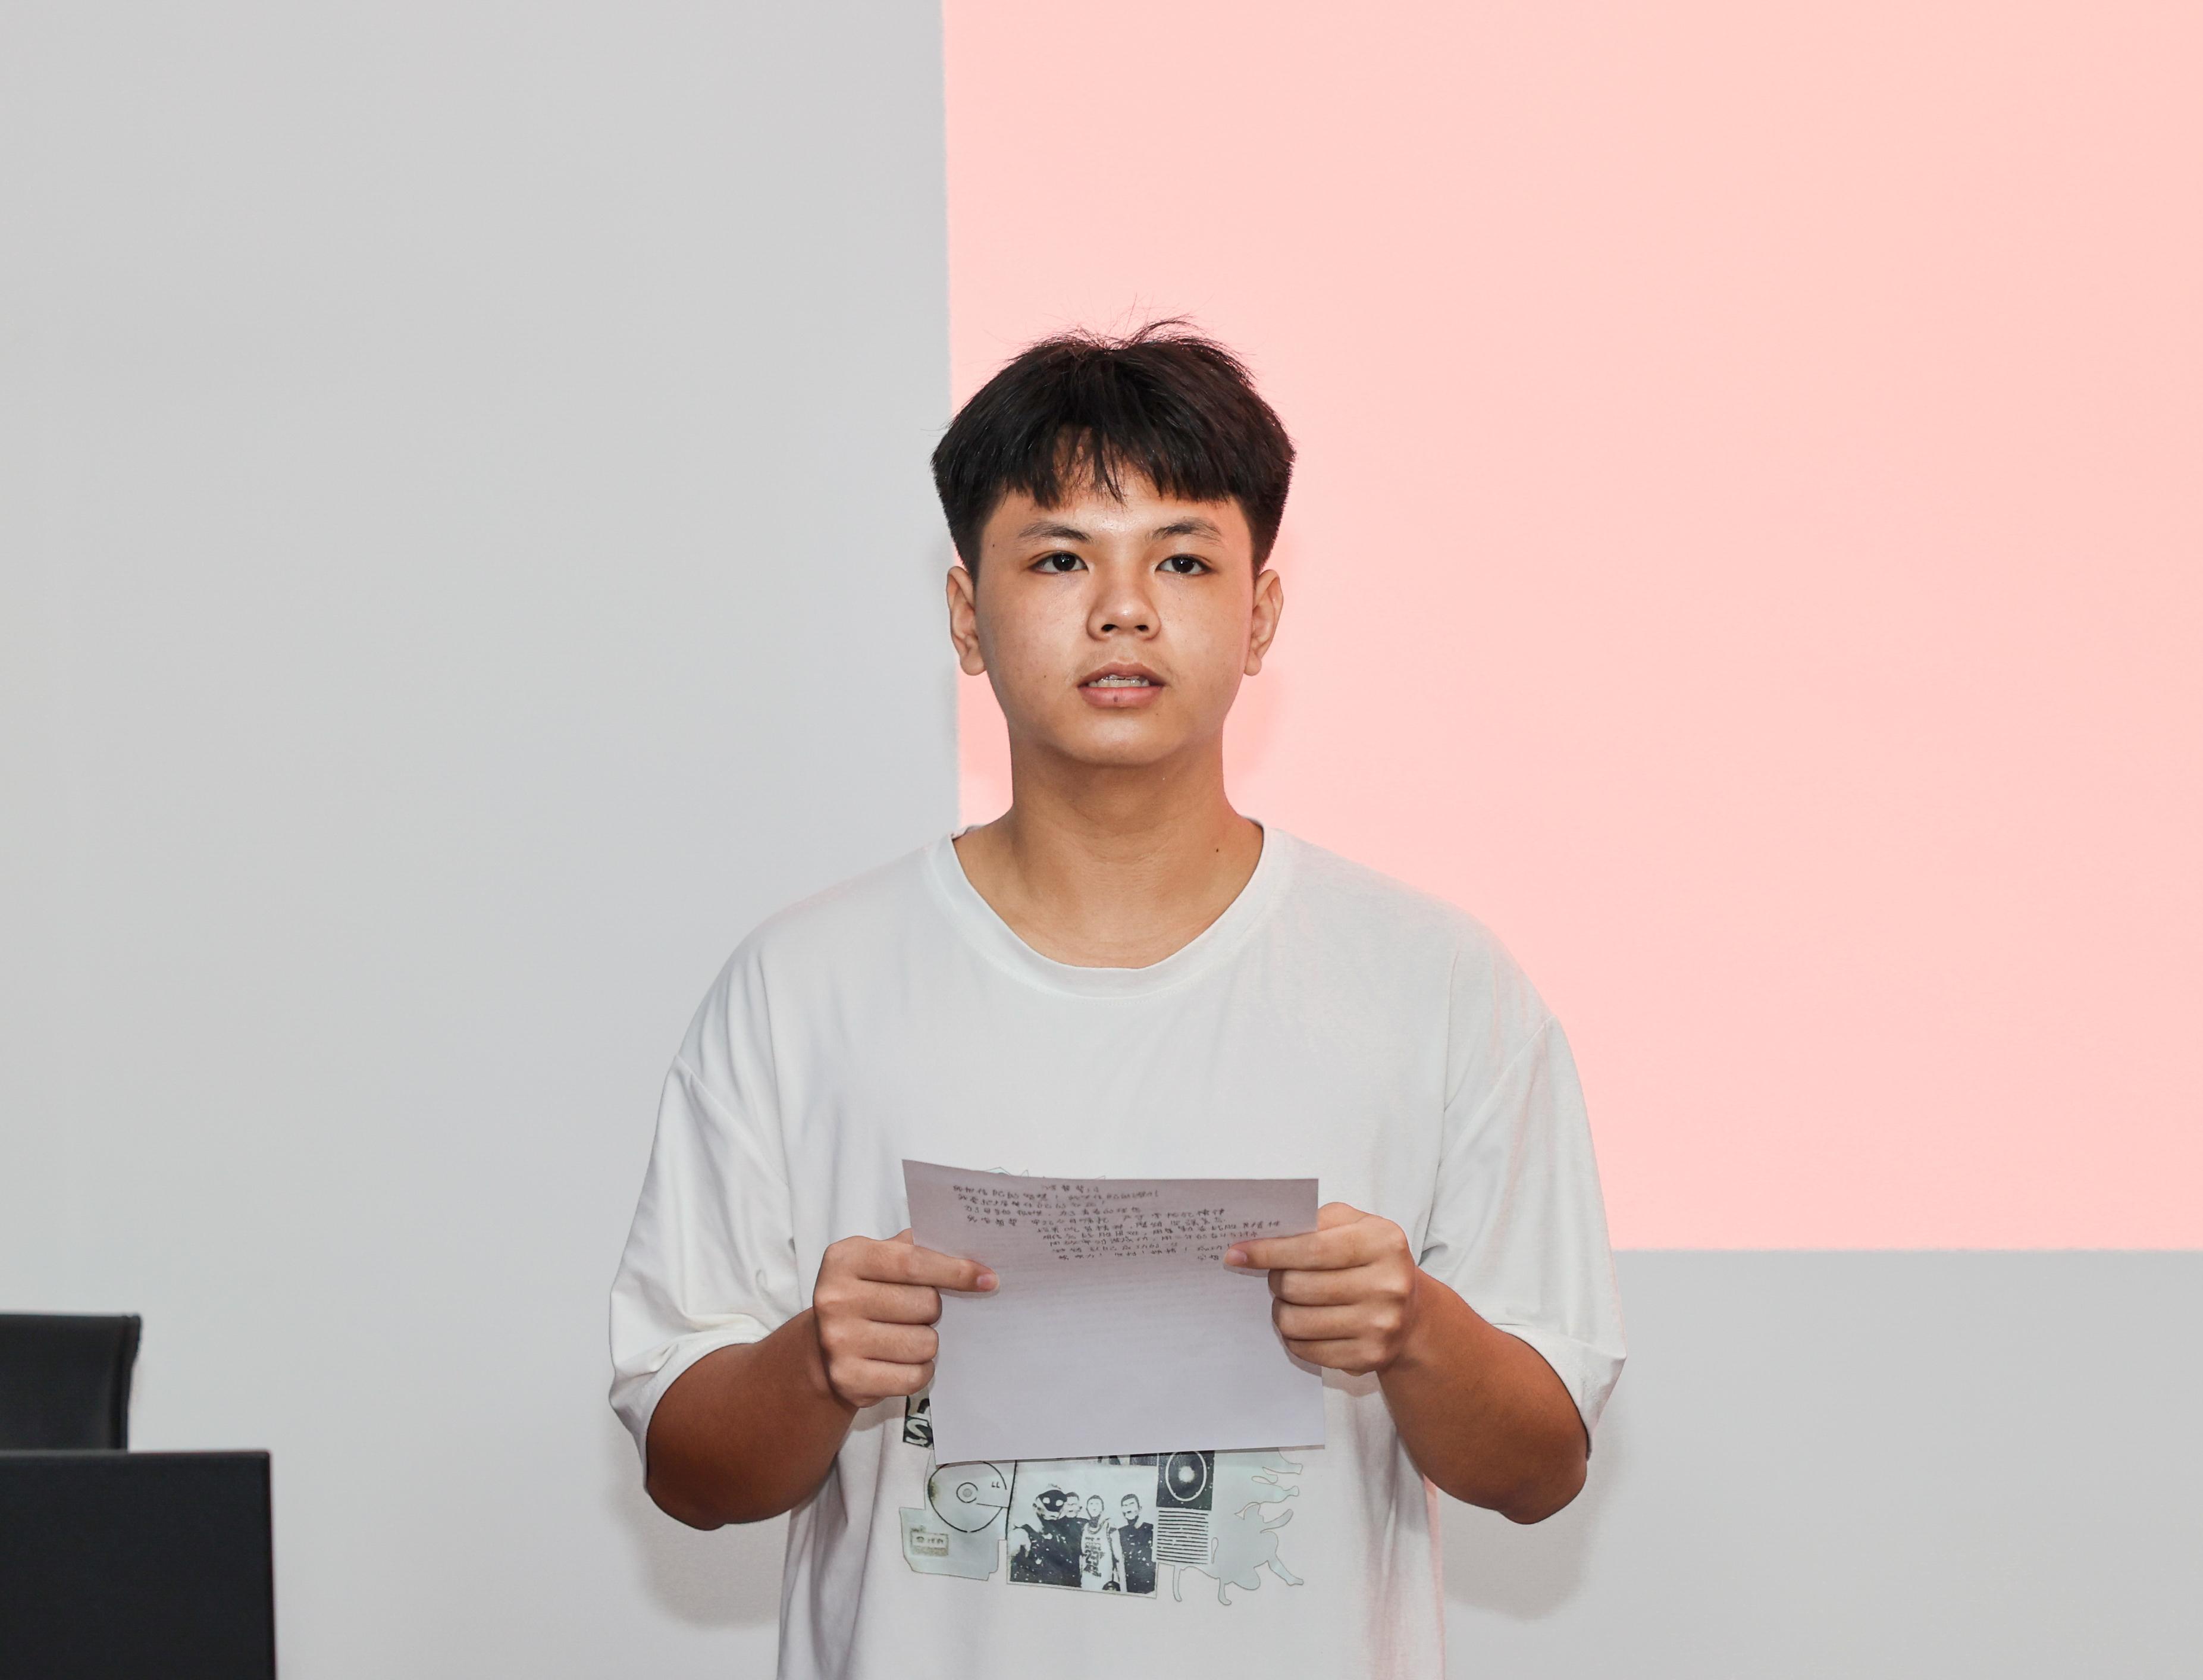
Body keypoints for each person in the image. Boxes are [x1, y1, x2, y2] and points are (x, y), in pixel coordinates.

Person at [609, 321, 1627, 1678]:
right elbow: (688, 1475)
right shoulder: (804, 985)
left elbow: (1543, 1469)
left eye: (1184, 560)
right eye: (1060, 558)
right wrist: (814, 1362)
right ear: (966, 615)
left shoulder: (1435, 980)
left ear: (1260, 616)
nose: (1124, 610)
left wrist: (1416, 1328)